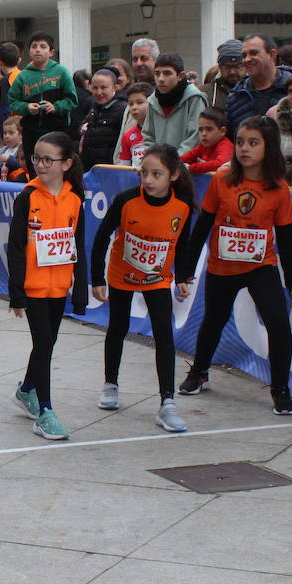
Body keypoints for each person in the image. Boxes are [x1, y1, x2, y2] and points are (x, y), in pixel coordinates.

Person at [176, 116, 292, 415]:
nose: (244, 149)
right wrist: (185, 270)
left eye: (253, 143)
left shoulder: (279, 189)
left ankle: (281, 388)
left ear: (268, 147)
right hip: (222, 266)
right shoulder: (222, 180)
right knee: (213, 321)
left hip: (261, 266)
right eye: (241, 142)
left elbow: (286, 238)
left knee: (278, 323)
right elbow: (201, 228)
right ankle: (200, 372)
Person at [91, 145, 194, 433]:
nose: (148, 180)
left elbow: (183, 244)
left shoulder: (182, 207)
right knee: (118, 327)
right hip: (122, 275)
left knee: (164, 331)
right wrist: (96, 279)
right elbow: (101, 238)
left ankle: (167, 402)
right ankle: (110, 383)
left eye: (156, 174)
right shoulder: (126, 201)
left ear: (173, 175)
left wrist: (184, 276)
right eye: (144, 173)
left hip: (157, 279)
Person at [7, 131, 88, 441]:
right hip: (33, 287)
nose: (40, 164)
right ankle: (45, 411)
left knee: (47, 343)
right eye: (36, 158)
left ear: (66, 163)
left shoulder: (75, 199)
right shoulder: (27, 197)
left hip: (60, 287)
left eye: (47, 159)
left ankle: (26, 390)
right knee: (43, 344)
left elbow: (77, 245)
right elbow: (15, 247)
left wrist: (79, 289)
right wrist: (17, 293)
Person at [8, 32, 78, 173]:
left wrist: (56, 107)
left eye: (42, 46)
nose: (38, 49)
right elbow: (12, 102)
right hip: (31, 134)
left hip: (57, 132)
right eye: (34, 46)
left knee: (57, 171)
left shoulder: (61, 72)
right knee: (36, 171)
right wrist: (26, 107)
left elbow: (72, 100)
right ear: (29, 51)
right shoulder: (23, 76)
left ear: (51, 52)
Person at [143, 53, 207, 154]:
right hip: (159, 165)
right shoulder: (152, 101)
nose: (161, 79)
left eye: (167, 73)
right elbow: (148, 136)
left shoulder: (194, 98)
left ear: (181, 76)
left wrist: (172, 161)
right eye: (157, 73)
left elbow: (195, 137)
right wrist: (156, 159)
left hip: (186, 165)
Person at [225, 34, 292, 126]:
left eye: (253, 53)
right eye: (244, 55)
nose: (247, 59)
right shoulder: (236, 97)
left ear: (272, 55)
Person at [79, 66, 126, 170]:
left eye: (103, 88)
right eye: (95, 88)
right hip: (91, 170)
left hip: (111, 170)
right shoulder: (93, 108)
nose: (99, 92)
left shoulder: (123, 110)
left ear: (115, 87)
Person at [181, 108, 234, 173]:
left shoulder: (226, 146)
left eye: (209, 129)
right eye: (201, 130)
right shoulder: (202, 146)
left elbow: (221, 164)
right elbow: (184, 158)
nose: (204, 134)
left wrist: (190, 168)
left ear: (222, 131)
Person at [114, 82, 152, 166]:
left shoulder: (160, 131)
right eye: (131, 104)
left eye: (140, 102)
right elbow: (124, 166)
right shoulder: (128, 135)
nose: (134, 107)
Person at [204, 39, 244, 113]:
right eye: (227, 67)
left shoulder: (256, 91)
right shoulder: (204, 94)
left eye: (237, 67)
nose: (232, 72)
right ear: (219, 67)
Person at [0, 117, 26, 181]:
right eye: (5, 133)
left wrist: (9, 160)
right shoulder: (1, 151)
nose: (7, 136)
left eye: (11, 133)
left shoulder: (23, 151)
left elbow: (22, 168)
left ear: (21, 134)